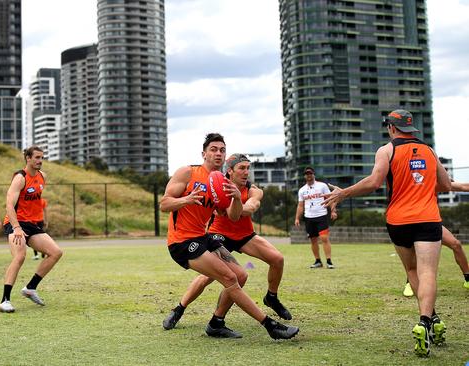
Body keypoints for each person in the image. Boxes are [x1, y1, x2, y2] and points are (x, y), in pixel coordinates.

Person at [323, 109, 452, 357]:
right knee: (428, 272)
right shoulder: (429, 150)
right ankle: (426, 321)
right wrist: (421, 184)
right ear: (410, 128)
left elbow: (373, 182)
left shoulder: (386, 150)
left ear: (391, 128)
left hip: (399, 220)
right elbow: (445, 185)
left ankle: (431, 318)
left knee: (412, 271)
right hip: (427, 219)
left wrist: (343, 193)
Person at [159, 133, 298, 340]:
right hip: (182, 242)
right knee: (229, 277)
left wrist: (234, 198)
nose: (218, 153)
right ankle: (270, 326)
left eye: (222, 150)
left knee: (241, 276)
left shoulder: (220, 183)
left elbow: (232, 216)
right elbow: (164, 204)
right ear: (204, 153)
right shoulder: (188, 172)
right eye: (213, 149)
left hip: (203, 237)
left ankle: (216, 324)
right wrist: (186, 200)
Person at [0, 146, 63, 313]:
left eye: (42, 157)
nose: (40, 160)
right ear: (28, 158)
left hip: (32, 224)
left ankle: (30, 288)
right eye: (36, 157)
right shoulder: (20, 178)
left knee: (56, 252)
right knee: (19, 256)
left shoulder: (43, 177)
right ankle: (5, 300)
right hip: (15, 222)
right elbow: (9, 206)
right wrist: (17, 228)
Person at [403, 225, 469, 296]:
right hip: (410, 222)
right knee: (416, 250)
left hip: (430, 221)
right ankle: (409, 283)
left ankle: (467, 278)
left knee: (456, 244)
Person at [294, 167, 338, 269]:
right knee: (313, 240)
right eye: (307, 174)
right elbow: (300, 205)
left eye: (310, 174)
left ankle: (329, 261)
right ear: (305, 176)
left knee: (324, 238)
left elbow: (330, 198)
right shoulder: (302, 190)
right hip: (309, 217)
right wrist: (297, 218)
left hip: (321, 215)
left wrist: (333, 211)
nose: (309, 176)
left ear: (314, 174)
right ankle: (318, 261)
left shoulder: (322, 186)